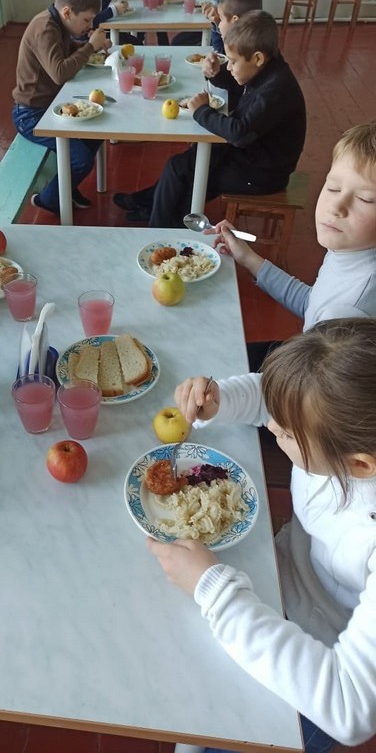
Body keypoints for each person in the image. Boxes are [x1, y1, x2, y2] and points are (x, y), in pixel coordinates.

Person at [150, 317, 376, 753]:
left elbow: (349, 708)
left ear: (360, 465)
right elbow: (277, 401)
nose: (272, 429)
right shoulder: (340, 424)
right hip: (274, 578)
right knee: (184, 678)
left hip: (319, 662)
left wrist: (215, 591)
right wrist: (222, 398)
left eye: (286, 434)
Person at [113, 11, 306, 227]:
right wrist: (217, 73)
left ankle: (157, 227)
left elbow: (239, 133)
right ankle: (152, 208)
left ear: (258, 58)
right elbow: (238, 86)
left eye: (232, 62)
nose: (229, 66)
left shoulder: (276, 89)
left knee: (185, 169)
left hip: (263, 173)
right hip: (251, 155)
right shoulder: (267, 68)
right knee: (187, 164)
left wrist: (202, 111)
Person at [214, 120, 376, 370]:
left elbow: (310, 386)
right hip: (314, 359)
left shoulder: (350, 311)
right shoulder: (350, 251)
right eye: (333, 188)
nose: (336, 206)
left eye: (365, 199)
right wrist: (247, 257)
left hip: (312, 379)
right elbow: (313, 304)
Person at [12, 0, 111, 216]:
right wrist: (90, 46)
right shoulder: (45, 28)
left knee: (97, 132)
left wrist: (89, 47)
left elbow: (63, 52)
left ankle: (67, 186)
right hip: (31, 114)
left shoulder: (57, 23)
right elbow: (59, 73)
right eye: (86, 20)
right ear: (67, 12)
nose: (89, 25)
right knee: (81, 160)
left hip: (52, 106)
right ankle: (48, 199)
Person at [200, 0, 262, 111]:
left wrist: (202, 111)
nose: (219, 25)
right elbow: (234, 83)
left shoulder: (266, 91)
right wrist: (216, 73)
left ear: (235, 21)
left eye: (221, 19)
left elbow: (241, 124)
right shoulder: (249, 47)